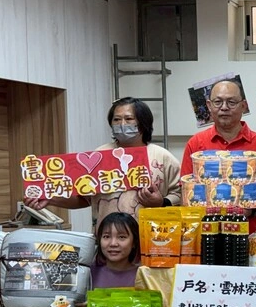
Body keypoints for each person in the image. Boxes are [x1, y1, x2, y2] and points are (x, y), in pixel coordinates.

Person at [25, 97, 182, 233]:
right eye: (116, 119)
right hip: (107, 243)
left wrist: (161, 202)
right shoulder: (100, 155)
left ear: (143, 123)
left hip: (154, 240)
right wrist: (49, 199)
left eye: (129, 119)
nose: (122, 124)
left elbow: (181, 194)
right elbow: (84, 197)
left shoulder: (162, 157)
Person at [181, 78, 256, 234]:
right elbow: (185, 188)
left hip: (251, 231)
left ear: (243, 106)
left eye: (231, 102)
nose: (224, 107)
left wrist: (250, 207)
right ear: (209, 106)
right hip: (208, 231)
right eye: (218, 102)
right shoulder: (195, 144)